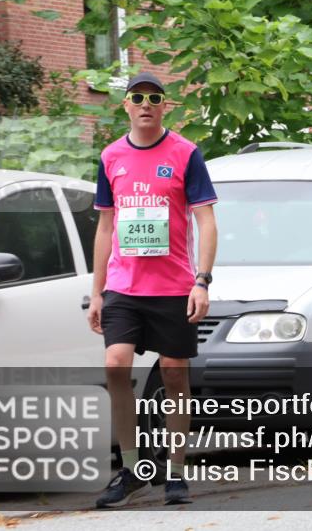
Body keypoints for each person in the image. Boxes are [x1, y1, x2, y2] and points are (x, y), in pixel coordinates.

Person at [88, 72, 218, 507]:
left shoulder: (186, 154)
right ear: (125, 105)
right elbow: (105, 225)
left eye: (154, 98)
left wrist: (202, 279)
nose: (146, 104)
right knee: (115, 366)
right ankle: (129, 468)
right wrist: (97, 291)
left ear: (165, 106)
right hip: (125, 285)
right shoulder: (110, 156)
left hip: (173, 286)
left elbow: (205, 219)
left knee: (174, 374)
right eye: (137, 97)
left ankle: (176, 471)